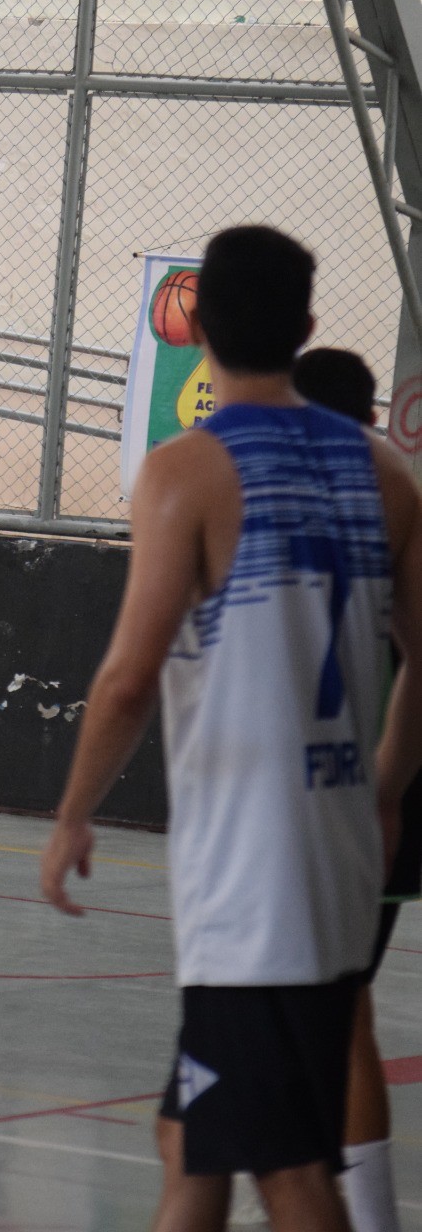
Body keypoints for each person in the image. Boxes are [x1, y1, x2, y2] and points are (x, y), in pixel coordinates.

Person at [40, 226, 422, 1232]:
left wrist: (73, 812)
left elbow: (127, 678)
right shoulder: (385, 473)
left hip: (251, 879)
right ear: (305, 326)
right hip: (333, 855)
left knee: (289, 1174)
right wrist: (382, 787)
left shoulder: (186, 471)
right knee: (189, 1147)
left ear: (196, 322)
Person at [293, 346, 422, 1232]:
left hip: (366, 793)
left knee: (329, 1018)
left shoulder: (362, 503)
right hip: (367, 790)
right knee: (339, 1015)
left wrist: (382, 780)